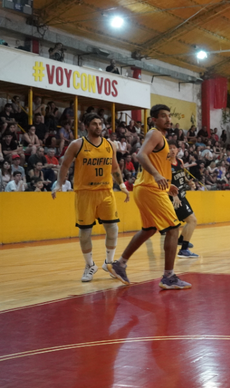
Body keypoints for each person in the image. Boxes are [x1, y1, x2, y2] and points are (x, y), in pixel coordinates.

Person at [107, 104, 190, 290]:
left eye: (169, 116)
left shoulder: (161, 138)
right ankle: (169, 277)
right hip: (150, 188)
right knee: (174, 229)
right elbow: (141, 156)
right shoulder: (155, 134)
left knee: (149, 229)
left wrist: (167, 184)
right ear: (154, 119)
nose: (168, 119)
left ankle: (120, 264)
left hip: (145, 188)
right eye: (163, 116)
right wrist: (158, 176)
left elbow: (154, 162)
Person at [53, 113, 130, 282]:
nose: (98, 127)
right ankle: (90, 265)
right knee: (85, 232)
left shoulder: (110, 144)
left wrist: (122, 186)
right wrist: (59, 184)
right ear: (86, 126)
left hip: (106, 192)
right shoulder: (77, 144)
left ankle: (109, 263)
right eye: (94, 124)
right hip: (85, 193)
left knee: (113, 229)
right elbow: (65, 164)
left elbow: (115, 168)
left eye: (100, 123)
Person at [168, 140, 199, 259]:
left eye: (174, 147)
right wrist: (174, 196)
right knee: (192, 221)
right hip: (174, 198)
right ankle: (184, 249)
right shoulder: (166, 164)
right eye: (169, 148)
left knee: (191, 220)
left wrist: (188, 182)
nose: (172, 150)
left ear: (177, 150)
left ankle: (181, 240)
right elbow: (166, 182)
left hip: (182, 195)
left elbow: (183, 176)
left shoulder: (180, 161)